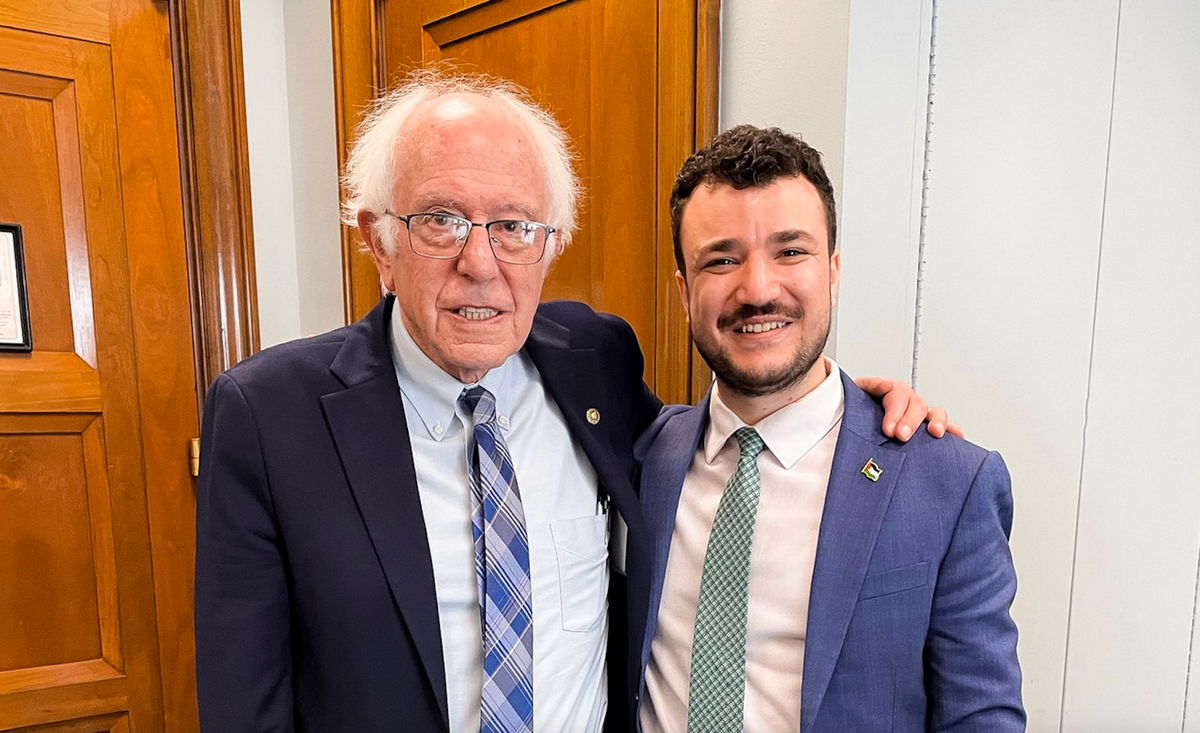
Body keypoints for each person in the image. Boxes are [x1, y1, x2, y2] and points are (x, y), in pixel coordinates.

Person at [194, 70, 949, 733]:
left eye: (515, 226)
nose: (480, 263)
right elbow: (243, 704)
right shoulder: (267, 418)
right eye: (440, 221)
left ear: (552, 243)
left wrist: (853, 411)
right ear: (379, 243)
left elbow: (710, 440)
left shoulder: (594, 360)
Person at [629, 125, 1024, 732]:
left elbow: (982, 717)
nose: (758, 289)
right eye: (722, 259)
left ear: (833, 271)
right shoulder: (645, 453)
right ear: (684, 293)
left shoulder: (949, 481)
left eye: (791, 251)